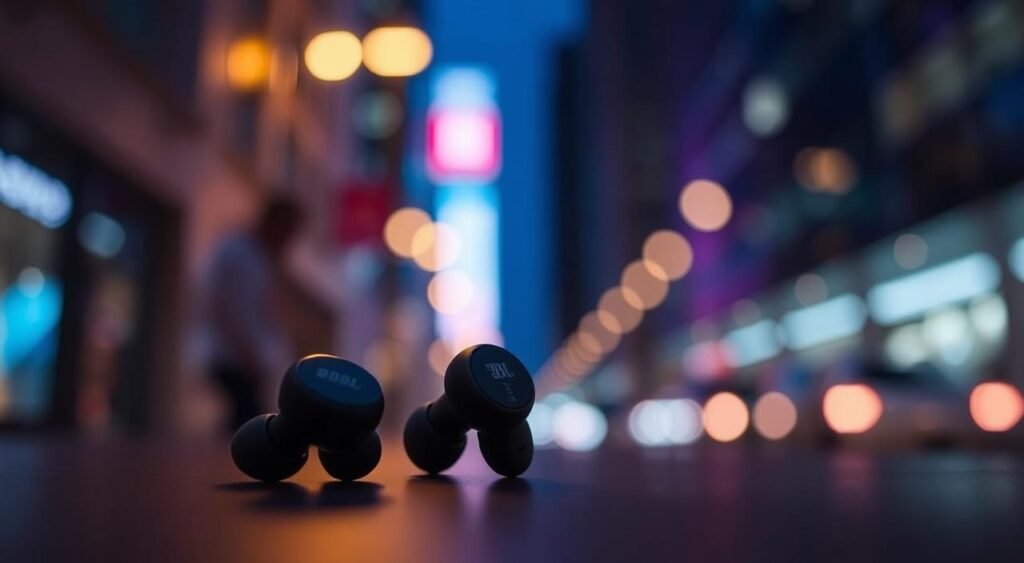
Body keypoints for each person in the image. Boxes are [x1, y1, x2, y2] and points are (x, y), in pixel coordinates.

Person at [202, 196, 301, 432]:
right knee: (249, 422)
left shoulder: (261, 259)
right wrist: (248, 355)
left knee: (244, 418)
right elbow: (225, 307)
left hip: (247, 357)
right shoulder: (241, 254)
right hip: (235, 356)